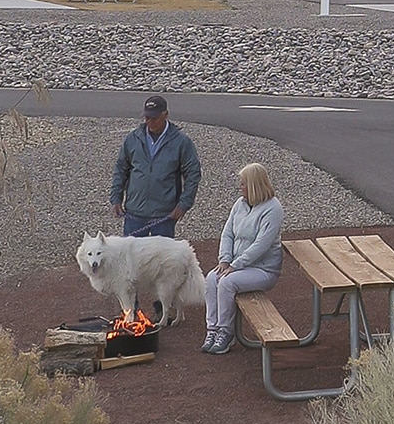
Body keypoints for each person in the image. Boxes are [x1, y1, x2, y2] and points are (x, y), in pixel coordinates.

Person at [203, 163, 284, 355]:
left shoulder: (273, 209)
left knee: (227, 283)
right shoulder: (239, 204)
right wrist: (224, 260)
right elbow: (227, 233)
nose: (240, 188)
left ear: (254, 185)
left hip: (263, 269)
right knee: (211, 278)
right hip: (237, 265)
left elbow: (262, 245)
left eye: (243, 184)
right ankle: (212, 329)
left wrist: (235, 265)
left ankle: (225, 331)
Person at [110, 94, 202, 238]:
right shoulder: (133, 138)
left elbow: (193, 174)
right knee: (134, 259)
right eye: (147, 117)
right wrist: (116, 198)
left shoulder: (181, 142)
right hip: (134, 213)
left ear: (165, 115)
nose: (149, 122)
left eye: (154, 118)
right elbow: (121, 169)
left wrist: (184, 204)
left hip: (164, 216)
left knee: (162, 260)